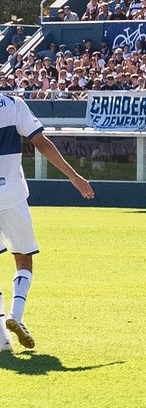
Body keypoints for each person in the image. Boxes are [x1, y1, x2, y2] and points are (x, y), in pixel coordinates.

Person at [0, 93, 95, 351]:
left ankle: (2, 338)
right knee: (23, 258)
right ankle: (16, 314)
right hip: (13, 195)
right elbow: (41, 143)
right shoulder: (14, 104)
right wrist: (74, 176)